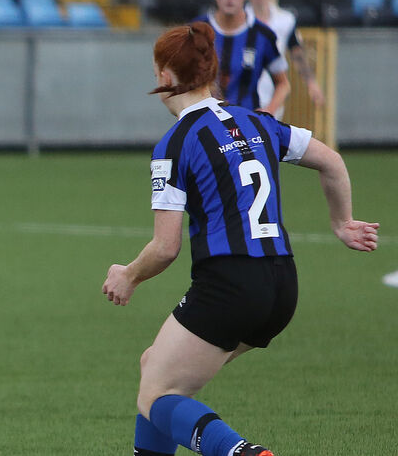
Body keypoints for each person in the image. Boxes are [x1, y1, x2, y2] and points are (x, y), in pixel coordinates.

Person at [101, 22, 378, 456]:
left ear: (165, 77)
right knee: (157, 370)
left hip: (229, 286)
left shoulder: (175, 144)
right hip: (282, 285)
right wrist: (342, 223)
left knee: (155, 395)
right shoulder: (258, 121)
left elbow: (165, 247)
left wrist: (128, 276)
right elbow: (332, 160)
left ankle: (239, 452)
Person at [196, 0, 291, 114]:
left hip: (247, 126)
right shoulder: (196, 31)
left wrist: (269, 110)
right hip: (205, 124)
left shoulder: (263, 35)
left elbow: (283, 84)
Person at [246, 0, 325, 119]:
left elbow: (296, 53)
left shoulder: (285, 20)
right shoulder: (241, 19)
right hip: (245, 92)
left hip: (273, 92)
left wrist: (311, 84)